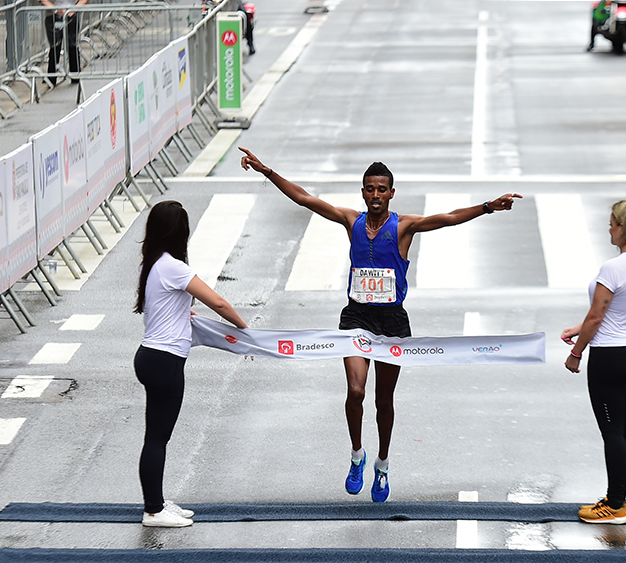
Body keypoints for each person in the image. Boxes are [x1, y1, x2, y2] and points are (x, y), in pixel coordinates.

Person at [239, 147, 521, 502]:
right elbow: (304, 199)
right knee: (355, 392)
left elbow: (448, 217)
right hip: (356, 316)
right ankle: (357, 455)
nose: (375, 195)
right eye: (369, 189)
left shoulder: (404, 227)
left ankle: (382, 464)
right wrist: (266, 170)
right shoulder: (350, 220)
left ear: (391, 193)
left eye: (381, 189)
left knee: (383, 399)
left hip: (391, 322)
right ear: (363, 192)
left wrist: (486, 207)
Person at [134, 200, 249, 528]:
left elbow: (165, 307)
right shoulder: (173, 267)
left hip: (152, 357)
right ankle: (154, 511)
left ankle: (156, 502)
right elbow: (218, 301)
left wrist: (185, 313)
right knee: (157, 438)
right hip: (164, 361)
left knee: (156, 436)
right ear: (180, 233)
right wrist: (247, 332)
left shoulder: (156, 264)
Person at [561, 200, 626, 525]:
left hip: (609, 357)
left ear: (625, 227)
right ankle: (618, 498)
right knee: (623, 431)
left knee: (612, 432)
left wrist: (577, 353)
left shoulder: (614, 267)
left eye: (613, 223)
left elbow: (597, 315)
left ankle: (615, 507)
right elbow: (617, 311)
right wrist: (580, 329)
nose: (609, 228)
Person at [37, 0, 90, 85]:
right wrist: (74, 9)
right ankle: (75, 73)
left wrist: (56, 9)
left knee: (54, 45)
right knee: (72, 43)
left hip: (53, 15)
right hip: (72, 13)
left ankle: (52, 77)